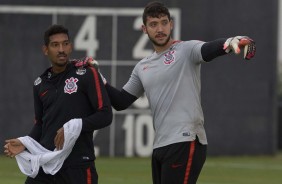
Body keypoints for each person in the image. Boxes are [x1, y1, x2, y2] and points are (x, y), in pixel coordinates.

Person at [79, 1, 256, 184]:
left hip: (186, 141)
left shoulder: (186, 50)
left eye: (164, 22)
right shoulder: (142, 66)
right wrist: (97, 75)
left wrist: (230, 42)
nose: (160, 28)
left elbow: (209, 49)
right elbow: (121, 101)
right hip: (160, 146)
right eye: (153, 24)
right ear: (144, 29)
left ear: (171, 24)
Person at [4, 24, 113, 184]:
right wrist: (24, 143)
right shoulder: (39, 84)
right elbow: (40, 124)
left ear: (70, 47)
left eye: (65, 44)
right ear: (46, 50)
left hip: (78, 166)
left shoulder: (87, 74)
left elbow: (105, 115)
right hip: (47, 162)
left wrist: (74, 125)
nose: (61, 49)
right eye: (55, 45)